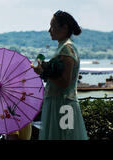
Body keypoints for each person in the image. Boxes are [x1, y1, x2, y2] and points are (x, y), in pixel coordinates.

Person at [32, 10, 88, 140]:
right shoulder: (63, 47)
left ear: (64, 27)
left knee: (64, 136)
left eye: (52, 26)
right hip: (59, 103)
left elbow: (64, 82)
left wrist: (43, 72)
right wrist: (44, 67)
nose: (49, 30)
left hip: (63, 105)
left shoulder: (67, 49)